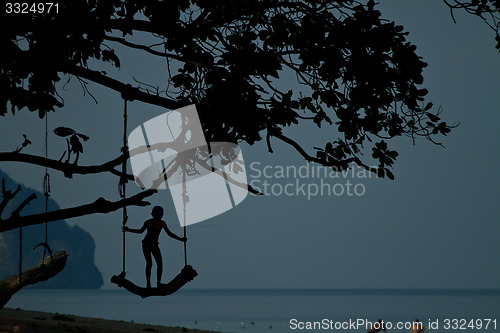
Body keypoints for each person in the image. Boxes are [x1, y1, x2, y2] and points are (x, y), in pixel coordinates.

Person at [122, 206, 186, 288]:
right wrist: (129, 230)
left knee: (159, 264)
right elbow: (140, 231)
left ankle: (158, 283)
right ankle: (149, 283)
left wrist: (181, 239)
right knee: (150, 263)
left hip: (154, 245)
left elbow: (169, 234)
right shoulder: (149, 222)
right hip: (146, 244)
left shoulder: (161, 223)